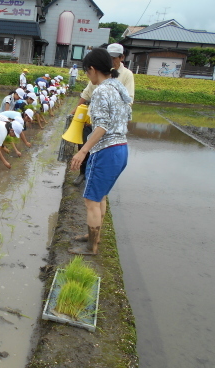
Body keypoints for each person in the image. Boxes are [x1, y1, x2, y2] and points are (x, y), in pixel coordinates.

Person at [69, 48, 131, 255]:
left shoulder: (102, 90)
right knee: (100, 196)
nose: (87, 76)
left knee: (91, 201)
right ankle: (94, 236)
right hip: (121, 148)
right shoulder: (118, 87)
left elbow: (102, 126)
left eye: (87, 72)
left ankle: (91, 247)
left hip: (106, 150)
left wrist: (82, 151)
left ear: (93, 69)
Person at [72, 43, 135, 186]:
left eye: (114, 58)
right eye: (109, 57)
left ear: (121, 57)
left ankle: (91, 175)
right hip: (105, 131)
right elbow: (86, 93)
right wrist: (75, 110)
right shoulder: (106, 80)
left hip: (106, 134)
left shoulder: (113, 82)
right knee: (85, 145)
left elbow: (127, 101)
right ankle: (84, 173)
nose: (111, 60)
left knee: (92, 199)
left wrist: (116, 118)